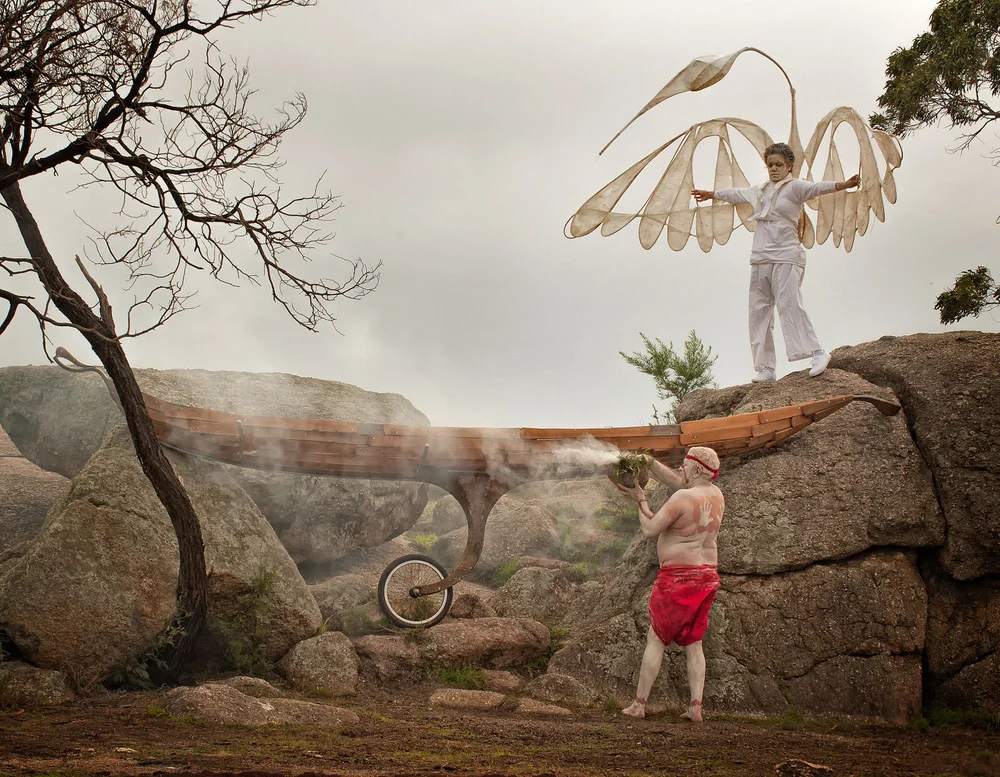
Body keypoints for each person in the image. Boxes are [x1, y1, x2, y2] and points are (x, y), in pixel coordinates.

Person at [691, 143, 860, 382]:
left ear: (788, 165)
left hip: (786, 254)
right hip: (761, 256)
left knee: (789, 303)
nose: (773, 169)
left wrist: (844, 185)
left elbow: (817, 189)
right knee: (758, 311)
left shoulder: (795, 187)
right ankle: (765, 368)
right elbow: (735, 194)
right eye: (770, 165)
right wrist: (711, 194)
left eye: (778, 164)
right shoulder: (759, 190)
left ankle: (817, 352)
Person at [614, 446, 724, 723]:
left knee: (657, 639)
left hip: (678, 578)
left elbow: (650, 529)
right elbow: (683, 483)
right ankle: (695, 707)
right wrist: (649, 463)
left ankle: (639, 705)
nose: (681, 470)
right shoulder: (716, 494)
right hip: (708, 575)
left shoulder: (682, 498)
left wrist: (640, 499)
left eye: (685, 465)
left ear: (697, 469)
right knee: (694, 643)